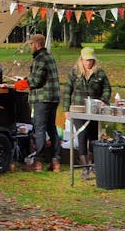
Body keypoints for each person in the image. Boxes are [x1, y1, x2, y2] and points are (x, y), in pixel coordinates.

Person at [63, 47, 111, 179]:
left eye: (90, 60)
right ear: (81, 60)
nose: (88, 63)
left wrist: (103, 100)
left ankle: (93, 165)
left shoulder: (100, 73)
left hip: (94, 110)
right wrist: (66, 109)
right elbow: (67, 91)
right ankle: (85, 168)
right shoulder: (74, 72)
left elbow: (107, 88)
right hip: (78, 110)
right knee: (82, 136)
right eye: (86, 60)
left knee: (94, 137)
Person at [26, 34, 62, 172]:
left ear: (36, 44)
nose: (30, 47)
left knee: (39, 128)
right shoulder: (49, 56)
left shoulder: (40, 58)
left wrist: (24, 82)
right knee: (51, 128)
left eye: (31, 44)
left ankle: (38, 162)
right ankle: (56, 160)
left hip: (43, 98)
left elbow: (36, 81)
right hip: (54, 98)